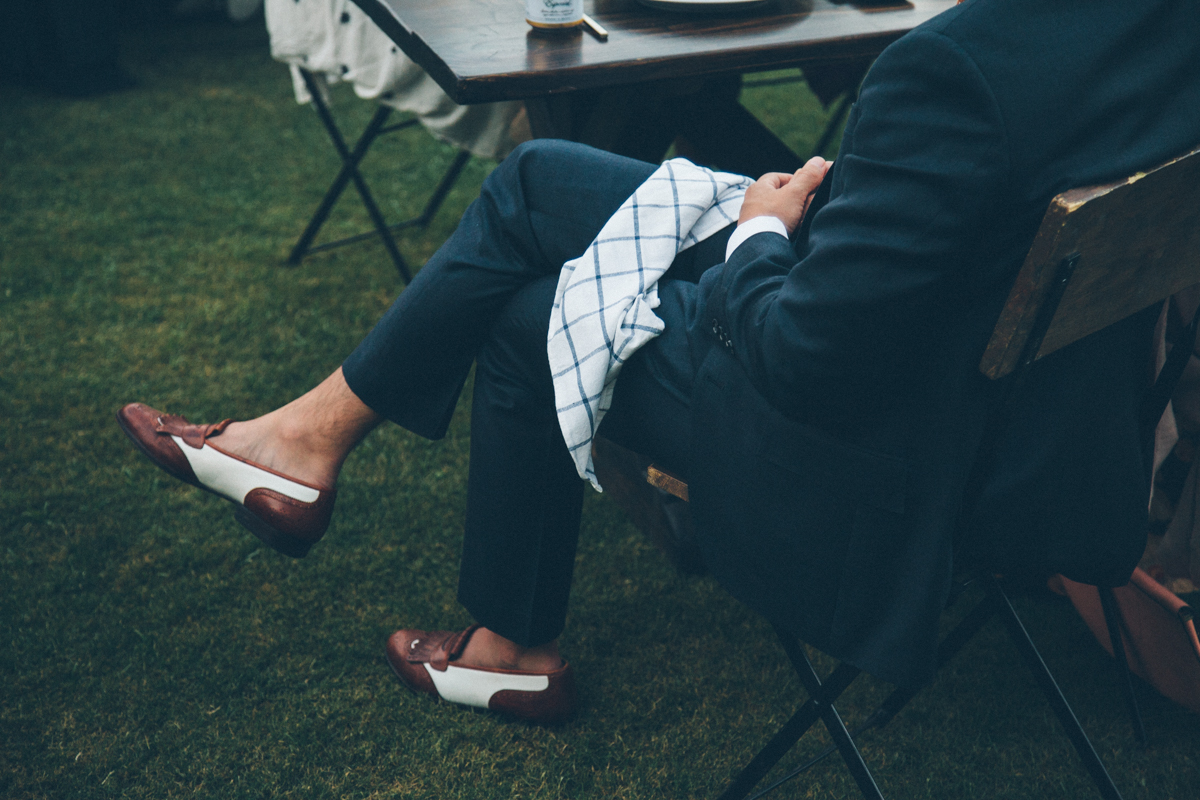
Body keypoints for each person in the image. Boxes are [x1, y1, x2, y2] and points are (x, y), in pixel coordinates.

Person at [119, 0, 1200, 722]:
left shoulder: (952, 73)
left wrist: (767, 235)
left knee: (526, 308)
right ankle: (307, 447)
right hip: (1032, 414)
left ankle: (491, 628)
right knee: (540, 183)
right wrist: (818, 216)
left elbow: (802, 358)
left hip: (891, 458)